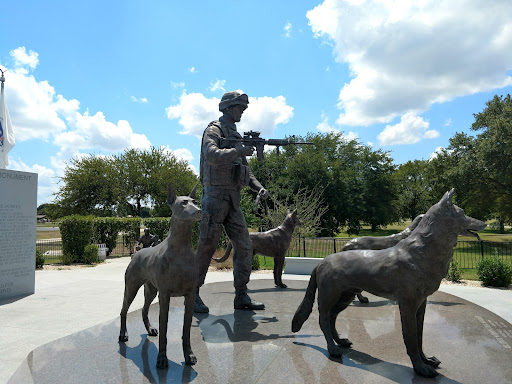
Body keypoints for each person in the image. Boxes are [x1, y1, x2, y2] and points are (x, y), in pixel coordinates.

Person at [195, 91, 269, 313]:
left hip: (233, 201)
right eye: (240, 108)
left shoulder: (236, 136)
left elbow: (245, 170)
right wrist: (236, 150)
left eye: (244, 108)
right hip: (214, 198)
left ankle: (241, 296)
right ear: (227, 108)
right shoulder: (214, 130)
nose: (242, 112)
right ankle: (193, 293)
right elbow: (211, 154)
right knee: (207, 247)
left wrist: (258, 187)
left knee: (245, 246)